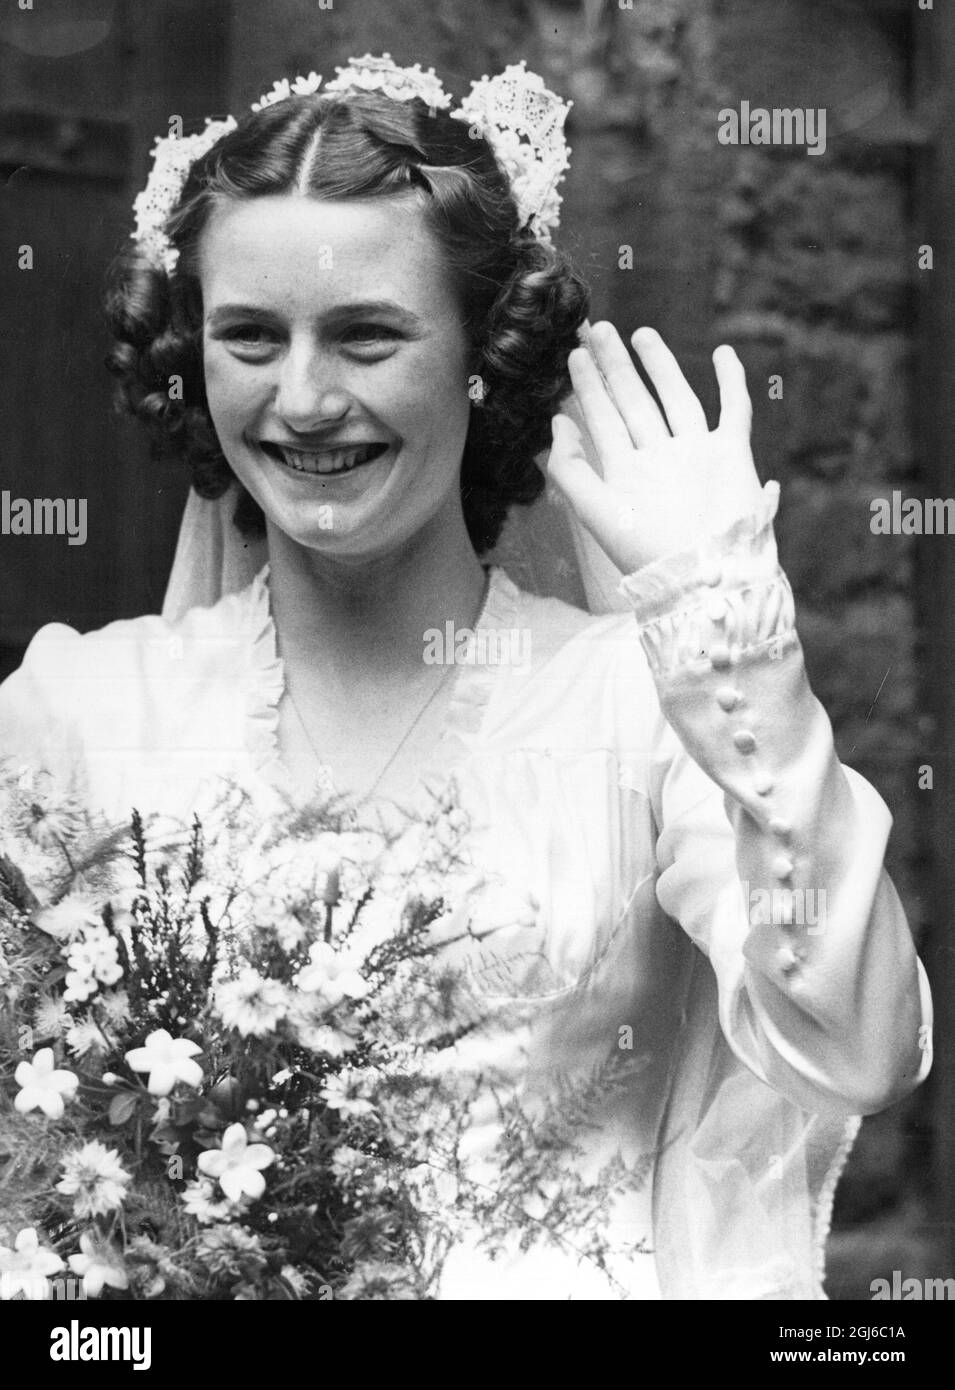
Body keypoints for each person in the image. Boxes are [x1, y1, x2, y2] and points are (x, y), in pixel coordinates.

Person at [0, 54, 932, 1299]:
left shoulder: (636, 708)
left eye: (368, 335)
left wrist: (730, 639)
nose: (305, 399)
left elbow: (854, 1050)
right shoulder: (78, 715)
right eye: (249, 338)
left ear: (482, 353)